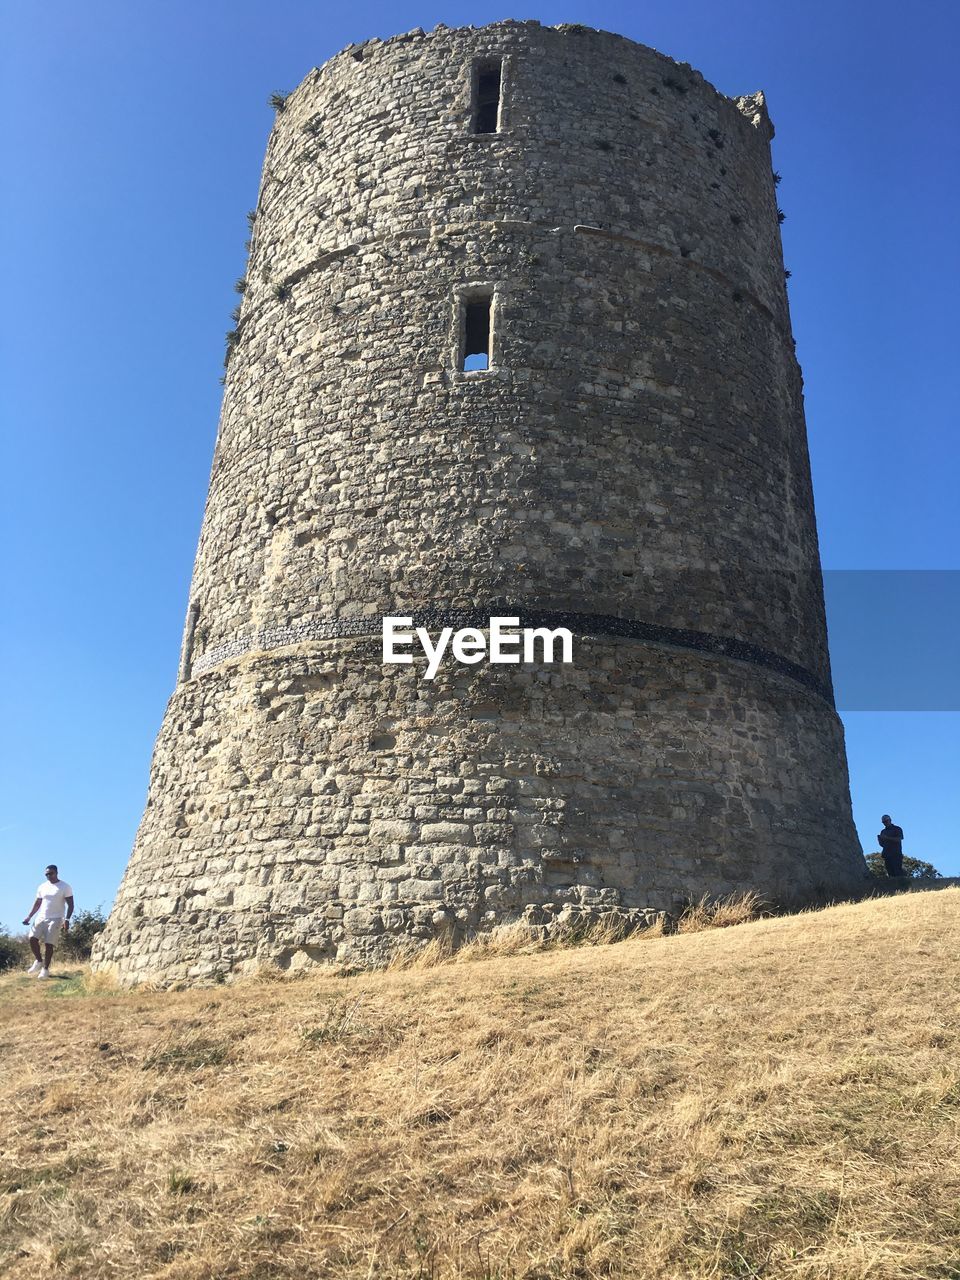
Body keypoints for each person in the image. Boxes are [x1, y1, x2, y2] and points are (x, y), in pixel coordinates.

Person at [22, 865, 74, 979]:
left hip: (56, 918)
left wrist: (67, 919)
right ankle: (39, 961)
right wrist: (29, 916)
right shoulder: (42, 887)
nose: (48, 876)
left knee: (49, 943)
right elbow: (37, 903)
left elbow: (71, 905)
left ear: (56, 873)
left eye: (51, 873)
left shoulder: (65, 887)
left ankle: (45, 970)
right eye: (46, 874)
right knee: (32, 938)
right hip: (41, 917)